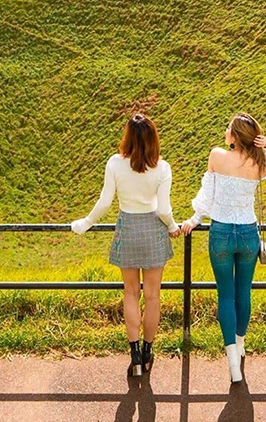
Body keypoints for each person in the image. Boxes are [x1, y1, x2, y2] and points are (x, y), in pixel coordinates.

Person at [182, 113, 266, 383]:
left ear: (234, 136)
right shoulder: (260, 163)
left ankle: (232, 361)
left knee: (225, 295)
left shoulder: (217, 156)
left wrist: (195, 219)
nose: (225, 131)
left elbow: (207, 194)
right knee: (243, 293)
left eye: (228, 128)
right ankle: (241, 344)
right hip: (247, 234)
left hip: (220, 232)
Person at [71, 114, 181, 376]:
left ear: (127, 137)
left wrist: (86, 223)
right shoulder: (162, 168)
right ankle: (148, 351)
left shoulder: (115, 164)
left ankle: (134, 355)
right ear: (153, 139)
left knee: (131, 293)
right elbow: (163, 210)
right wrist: (173, 226)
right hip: (153, 230)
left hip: (128, 228)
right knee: (152, 296)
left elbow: (105, 202)